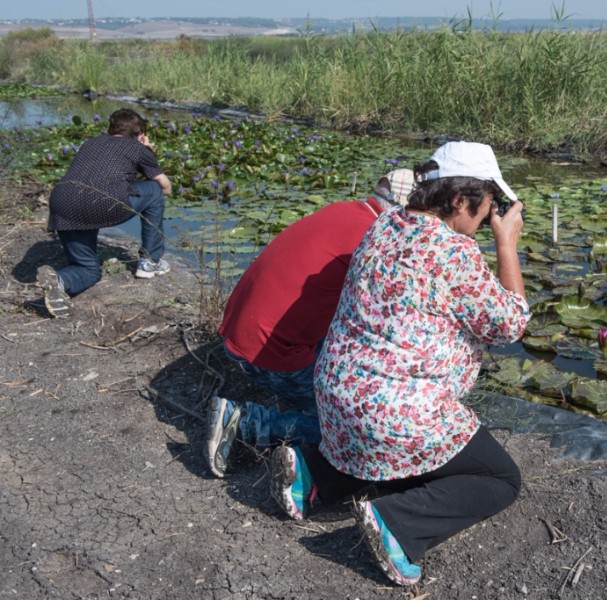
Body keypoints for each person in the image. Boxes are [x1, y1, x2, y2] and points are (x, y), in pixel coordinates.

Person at [269, 141, 530, 586]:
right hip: (397, 411)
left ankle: (314, 474)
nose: (490, 215)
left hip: (336, 393)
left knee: (387, 455)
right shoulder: (455, 253)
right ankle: (400, 526)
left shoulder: (385, 223)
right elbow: (509, 323)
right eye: (489, 203)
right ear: (461, 199)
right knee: (500, 478)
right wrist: (507, 245)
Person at [206, 169, 416, 478]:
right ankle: (246, 421)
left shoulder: (343, 210)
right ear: (403, 213)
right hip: (265, 354)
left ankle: (293, 393)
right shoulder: (374, 241)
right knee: (354, 429)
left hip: (240, 330)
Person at [37, 108, 173, 318]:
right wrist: (148, 152)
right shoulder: (138, 147)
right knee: (154, 191)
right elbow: (165, 187)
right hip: (101, 203)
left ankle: (60, 281)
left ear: (111, 129)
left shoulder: (90, 143)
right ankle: (150, 262)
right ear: (141, 134)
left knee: (88, 269)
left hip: (62, 203)